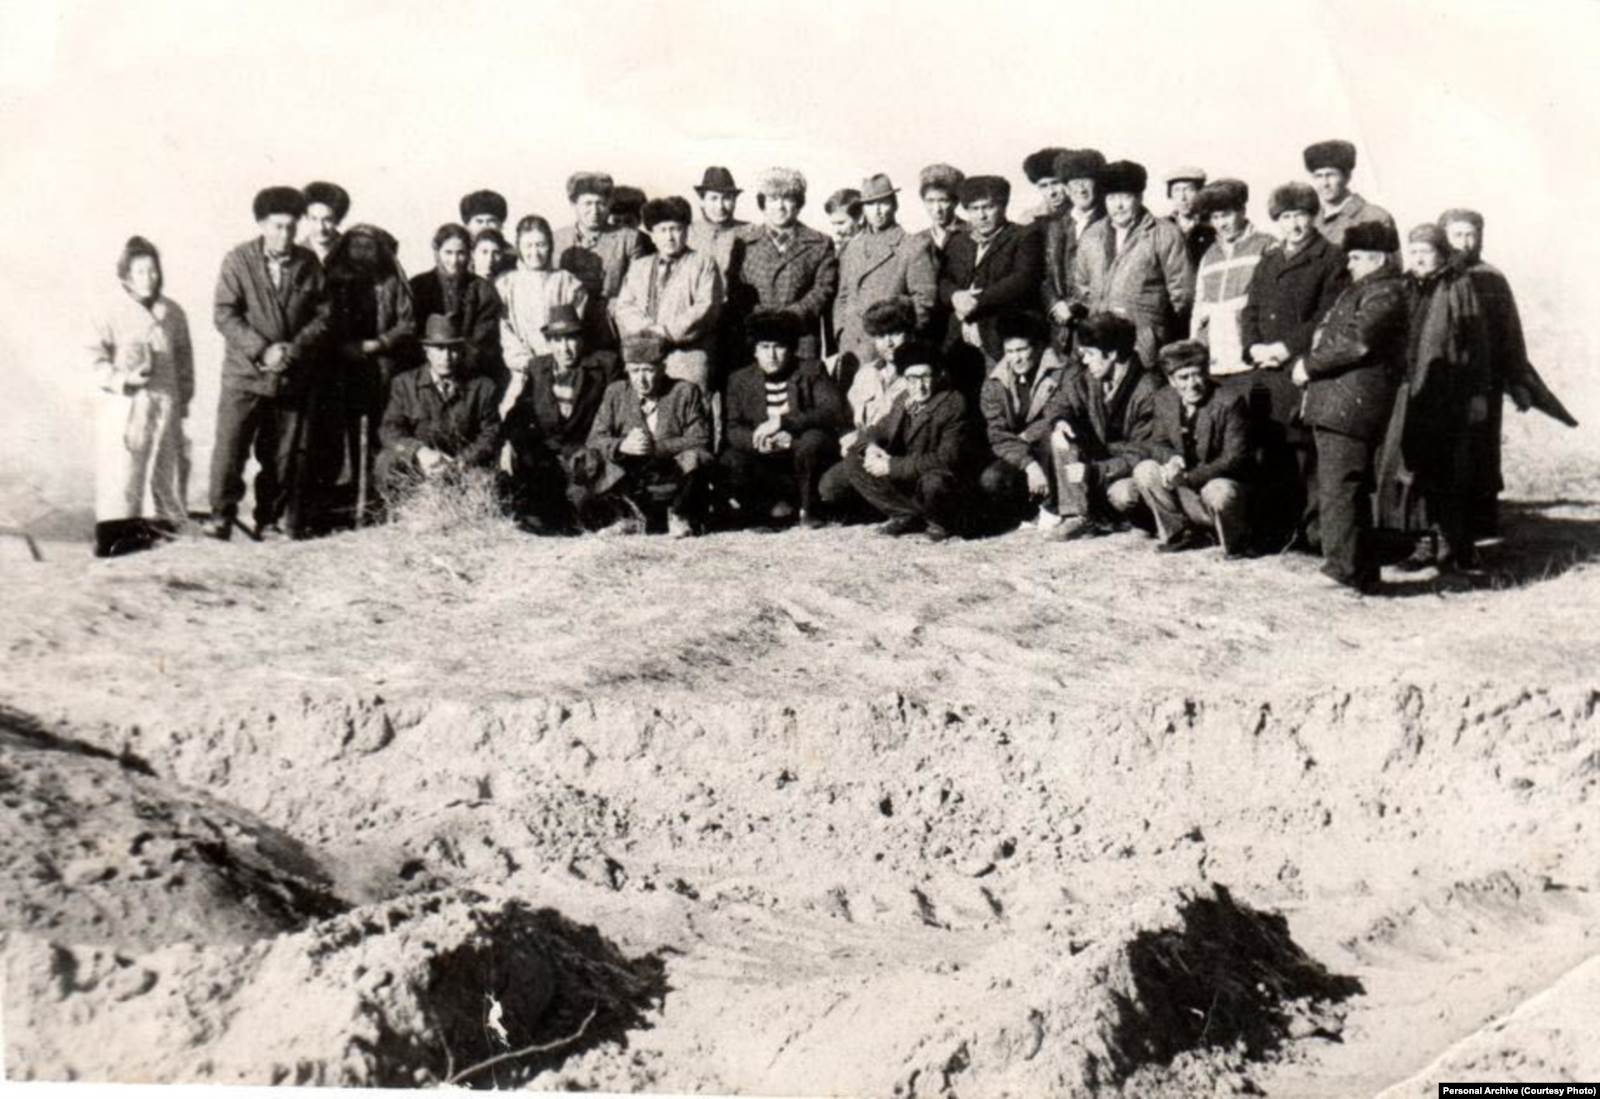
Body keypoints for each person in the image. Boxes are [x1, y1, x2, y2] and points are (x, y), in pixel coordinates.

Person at [208, 185, 330, 540]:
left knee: (281, 455)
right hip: (244, 375)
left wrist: (294, 349)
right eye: (277, 227)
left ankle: (270, 519)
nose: (285, 235)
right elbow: (224, 314)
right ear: (262, 225)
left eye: (291, 227)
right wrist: (262, 350)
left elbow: (324, 315)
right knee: (231, 448)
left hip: (289, 377)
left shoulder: (309, 264)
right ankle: (221, 516)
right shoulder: (238, 261)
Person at [1294, 220, 1408, 593]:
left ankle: (1342, 569)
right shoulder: (1370, 290)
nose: (1350, 263)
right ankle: (1360, 569)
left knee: (1340, 487)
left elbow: (1358, 342)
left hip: (1349, 406)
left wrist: (1308, 366)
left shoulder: (1384, 292)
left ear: (1379, 258)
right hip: (1342, 404)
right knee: (1347, 487)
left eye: (1357, 257)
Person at [1236, 181, 1348, 547]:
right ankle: (1276, 527)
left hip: (1299, 368)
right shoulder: (1269, 259)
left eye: (1300, 215)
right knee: (1269, 447)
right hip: (1264, 369)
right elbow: (1250, 308)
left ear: (1313, 216)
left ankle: (1310, 532)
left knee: (1303, 450)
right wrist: (1253, 347)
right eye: (1285, 217)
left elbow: (1326, 316)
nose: (1294, 225)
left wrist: (1286, 348)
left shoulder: (1330, 258)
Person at [1375, 224, 1491, 571]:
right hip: (1409, 391)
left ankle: (1454, 546)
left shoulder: (1458, 285)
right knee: (1410, 469)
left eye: (1426, 251)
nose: (1419, 258)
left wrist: (1478, 394)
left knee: (1448, 470)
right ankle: (1422, 542)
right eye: (1414, 252)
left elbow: (1477, 343)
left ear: (1441, 254)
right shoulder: (1404, 286)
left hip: (1447, 393)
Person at [89, 236, 194, 557]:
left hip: (166, 407)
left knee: (164, 480)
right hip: (126, 410)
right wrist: (122, 380)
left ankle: (162, 548)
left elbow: (185, 362)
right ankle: (117, 549)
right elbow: (92, 360)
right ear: (126, 275)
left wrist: (182, 400)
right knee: (124, 481)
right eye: (140, 271)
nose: (148, 278)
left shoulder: (172, 312)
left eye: (153, 270)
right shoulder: (109, 312)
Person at [1437, 208, 1535, 536]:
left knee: (1482, 451)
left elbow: (1510, 334)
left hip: (1484, 380)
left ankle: (1481, 523)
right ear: (1444, 237)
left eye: (1471, 235)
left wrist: (1518, 380)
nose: (1465, 243)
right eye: (1457, 235)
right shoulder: (1435, 275)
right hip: (1445, 379)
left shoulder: (1493, 278)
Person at [313, 223, 415, 530]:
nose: (361, 253)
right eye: (356, 246)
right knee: (342, 438)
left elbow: (407, 323)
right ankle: (344, 506)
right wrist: (344, 346)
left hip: (383, 369)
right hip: (341, 368)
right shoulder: (334, 281)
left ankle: (376, 503)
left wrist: (379, 343)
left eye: (368, 247)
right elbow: (322, 319)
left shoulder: (392, 281)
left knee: (379, 434)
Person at [818, 341, 970, 541]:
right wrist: (871, 447)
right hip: (908, 476)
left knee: (934, 483)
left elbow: (947, 459)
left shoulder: (953, 403)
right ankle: (905, 514)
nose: (919, 386)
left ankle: (939, 522)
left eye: (925, 377)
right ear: (904, 379)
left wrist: (891, 466)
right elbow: (877, 429)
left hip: (934, 476)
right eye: (912, 378)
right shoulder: (904, 399)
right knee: (854, 459)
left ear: (938, 376)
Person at [501, 303, 622, 533]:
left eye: (571, 339)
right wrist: (510, 443)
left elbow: (617, 412)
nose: (565, 348)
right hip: (550, 459)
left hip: (587, 457)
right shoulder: (538, 368)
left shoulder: (604, 366)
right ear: (549, 342)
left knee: (586, 512)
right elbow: (518, 414)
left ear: (581, 340)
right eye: (557, 340)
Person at [720, 309, 845, 528]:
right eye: (764, 347)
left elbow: (833, 410)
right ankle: (765, 511)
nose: (772, 355)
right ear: (755, 350)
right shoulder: (739, 379)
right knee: (731, 459)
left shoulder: (812, 370)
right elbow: (733, 428)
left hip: (803, 454)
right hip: (765, 459)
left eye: (779, 347)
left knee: (813, 440)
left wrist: (784, 422)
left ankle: (809, 509)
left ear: (791, 348)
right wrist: (757, 441)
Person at [580, 334, 714, 536]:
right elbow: (594, 440)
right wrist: (621, 445)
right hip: (631, 475)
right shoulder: (616, 393)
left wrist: (657, 447)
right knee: (587, 459)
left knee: (696, 457)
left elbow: (700, 438)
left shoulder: (684, 392)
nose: (641, 380)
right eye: (634, 371)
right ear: (626, 370)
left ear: (663, 368)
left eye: (648, 370)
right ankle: (626, 517)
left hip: (671, 471)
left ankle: (679, 515)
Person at [1045, 311, 1160, 539]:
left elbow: (1143, 452)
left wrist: (1095, 471)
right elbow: (1059, 403)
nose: (1085, 361)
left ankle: (1130, 520)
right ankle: (1077, 516)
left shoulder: (1149, 389)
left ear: (1113, 354)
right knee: (1061, 436)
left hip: (1127, 470)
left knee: (1124, 495)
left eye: (1090, 354)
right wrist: (1061, 422)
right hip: (1098, 466)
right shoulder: (1089, 377)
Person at [1069, 159, 1192, 370]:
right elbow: (1082, 287)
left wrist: (1154, 329)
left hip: (1144, 345)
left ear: (1139, 197)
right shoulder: (1091, 236)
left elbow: (1183, 295)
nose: (1118, 205)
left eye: (1125, 197)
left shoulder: (1165, 234)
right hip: (1100, 345)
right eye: (1111, 198)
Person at [1132, 339, 1251, 555]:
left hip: (1214, 486)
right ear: (1171, 380)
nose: (1192, 384)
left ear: (1206, 373)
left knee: (1220, 491)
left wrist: (1188, 478)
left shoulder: (1230, 402)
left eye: (1197, 374)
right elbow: (1158, 442)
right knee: (1145, 470)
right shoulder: (1164, 399)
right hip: (1186, 491)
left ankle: (1234, 543)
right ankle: (1180, 534)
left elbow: (1234, 458)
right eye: (1183, 377)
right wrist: (1173, 459)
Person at [939, 174, 1045, 396]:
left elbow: (1023, 279)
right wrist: (955, 296)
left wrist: (976, 301)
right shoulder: (958, 241)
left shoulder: (1024, 236)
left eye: (988, 207)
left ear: (1003, 206)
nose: (982, 215)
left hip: (999, 339)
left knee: (1002, 398)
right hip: (958, 341)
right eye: (974, 209)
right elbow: (942, 279)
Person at [374, 314, 501, 498]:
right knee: (386, 462)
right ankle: (404, 508)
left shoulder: (482, 387)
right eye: (439, 349)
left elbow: (491, 432)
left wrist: (462, 462)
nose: (446, 357)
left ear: (461, 351)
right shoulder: (404, 384)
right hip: (420, 465)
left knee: (486, 486)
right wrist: (419, 452)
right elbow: (390, 429)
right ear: (426, 350)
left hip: (462, 465)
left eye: (453, 349)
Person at [612, 195, 724, 394]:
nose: (669, 237)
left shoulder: (703, 263)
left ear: (687, 231)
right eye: (662, 230)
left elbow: (705, 307)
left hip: (687, 356)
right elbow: (624, 306)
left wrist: (666, 332)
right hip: (644, 356)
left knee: (689, 403)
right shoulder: (639, 267)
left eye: (675, 229)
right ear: (652, 235)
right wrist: (648, 331)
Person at [731, 167, 839, 362]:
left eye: (788, 198)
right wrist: (761, 318)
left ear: (798, 203)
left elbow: (824, 288)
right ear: (763, 203)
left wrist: (792, 316)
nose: (780, 206)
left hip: (802, 340)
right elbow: (736, 287)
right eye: (773, 199)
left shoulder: (820, 243)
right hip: (756, 340)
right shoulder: (743, 243)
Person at [976, 312, 1071, 529]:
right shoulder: (995, 383)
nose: (1016, 358)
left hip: (1051, 449)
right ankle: (1025, 511)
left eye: (1022, 350)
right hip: (1017, 451)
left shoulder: (1060, 372)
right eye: (1010, 351)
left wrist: (1028, 435)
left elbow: (1058, 414)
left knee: (1055, 436)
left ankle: (1055, 506)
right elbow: (998, 434)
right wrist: (1029, 465)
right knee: (992, 479)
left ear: (1037, 348)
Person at [833, 173, 937, 360]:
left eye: (883, 203)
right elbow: (843, 296)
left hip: (888, 350)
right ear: (863, 209)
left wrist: (900, 341)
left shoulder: (912, 246)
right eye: (870, 205)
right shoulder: (852, 247)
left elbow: (924, 301)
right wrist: (841, 331)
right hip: (850, 348)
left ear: (895, 205)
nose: (877, 211)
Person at [497, 214, 589, 415]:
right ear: (519, 247)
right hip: (522, 370)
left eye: (541, 245)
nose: (535, 252)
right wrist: (528, 363)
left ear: (550, 246)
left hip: (561, 369)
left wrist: (553, 360)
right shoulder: (506, 284)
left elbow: (573, 329)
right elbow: (505, 331)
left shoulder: (567, 282)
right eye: (528, 246)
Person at [555, 172, 650, 350]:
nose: (595, 211)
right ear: (574, 204)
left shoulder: (628, 238)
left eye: (601, 203)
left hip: (612, 327)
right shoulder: (558, 240)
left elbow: (639, 287)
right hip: (567, 330)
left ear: (609, 204)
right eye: (587, 203)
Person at [1190, 179, 1274, 379]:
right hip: (1216, 363)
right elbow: (1199, 308)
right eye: (1215, 217)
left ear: (1242, 211)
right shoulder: (1209, 256)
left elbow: (1275, 303)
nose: (1221, 223)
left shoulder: (1267, 245)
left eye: (1226, 215)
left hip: (1252, 359)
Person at [409, 223, 502, 384]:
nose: (454, 260)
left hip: (469, 372)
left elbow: (483, 340)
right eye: (448, 252)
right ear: (437, 252)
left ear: (469, 253)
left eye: (461, 253)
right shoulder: (418, 286)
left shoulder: (483, 290)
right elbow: (412, 335)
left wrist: (456, 368)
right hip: (425, 372)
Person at [1042, 148, 1107, 348]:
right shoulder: (1055, 225)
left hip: (1097, 322)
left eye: (1086, 180)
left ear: (1097, 183)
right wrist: (1055, 304)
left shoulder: (1109, 223)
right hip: (1061, 327)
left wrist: (1073, 306)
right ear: (1066, 188)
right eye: (1073, 182)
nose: (1081, 188)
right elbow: (1046, 274)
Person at [840, 297, 916, 449]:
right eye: (881, 336)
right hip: (863, 449)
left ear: (909, 334)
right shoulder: (865, 374)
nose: (889, 343)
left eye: (895, 333)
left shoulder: (920, 377)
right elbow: (849, 420)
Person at [910, 163, 967, 345]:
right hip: (928, 329)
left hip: (962, 324)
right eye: (930, 201)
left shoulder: (971, 234)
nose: (937, 208)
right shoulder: (917, 240)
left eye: (943, 200)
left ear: (956, 201)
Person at [1302, 140, 1396, 250]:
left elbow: (1386, 260)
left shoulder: (1374, 217)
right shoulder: (1311, 220)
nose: (1325, 183)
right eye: (1318, 176)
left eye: (1331, 175)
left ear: (1347, 176)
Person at [687, 166, 747, 280]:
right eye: (714, 198)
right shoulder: (688, 234)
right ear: (702, 201)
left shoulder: (748, 232)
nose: (720, 206)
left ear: (734, 201)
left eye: (726, 198)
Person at [1163, 166, 1215, 270]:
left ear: (1200, 193)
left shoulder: (1212, 227)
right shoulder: (1163, 227)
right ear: (1170, 194)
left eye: (1189, 190)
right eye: (1177, 190)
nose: (1182, 198)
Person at [301, 181, 350, 265]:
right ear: (306, 218)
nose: (320, 227)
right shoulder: (294, 255)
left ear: (338, 220)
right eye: (314, 219)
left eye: (327, 220)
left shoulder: (353, 253)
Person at [1021, 146, 1072, 225]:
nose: (1051, 192)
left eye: (1055, 183)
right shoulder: (1029, 219)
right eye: (1044, 186)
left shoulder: (1084, 214)